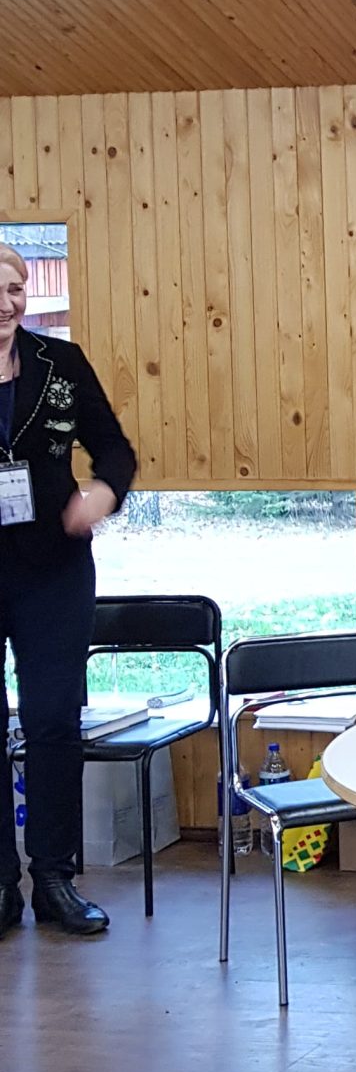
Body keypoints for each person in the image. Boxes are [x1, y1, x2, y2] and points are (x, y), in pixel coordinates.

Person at [0, 242, 139, 942]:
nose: (5, 305)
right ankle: (1, 884)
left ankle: (55, 878)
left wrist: (104, 493)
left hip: (52, 566)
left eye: (14, 289)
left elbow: (115, 448)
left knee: (53, 719)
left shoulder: (60, 362)